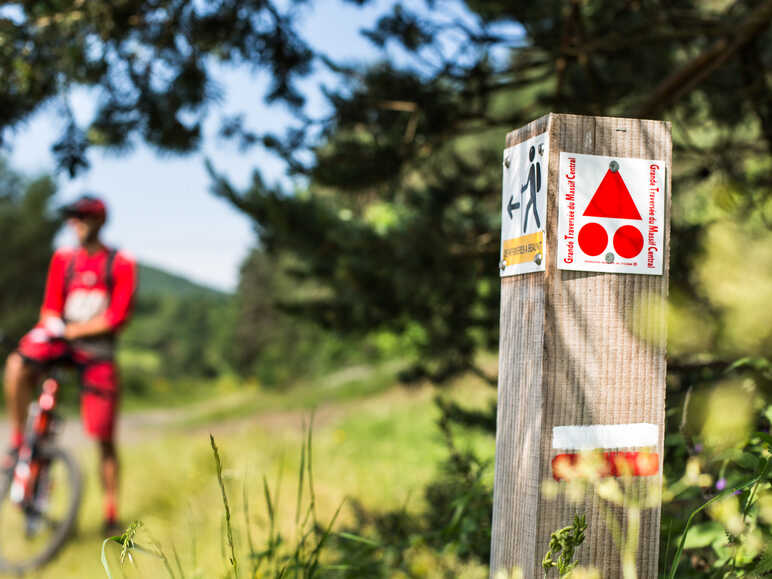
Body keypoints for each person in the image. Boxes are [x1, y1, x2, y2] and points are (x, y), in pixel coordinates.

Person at [2, 194, 137, 535]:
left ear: (100, 221)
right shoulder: (64, 260)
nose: (74, 223)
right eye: (72, 217)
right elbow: (50, 307)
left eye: (82, 217)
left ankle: (110, 512)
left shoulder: (120, 262)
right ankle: (20, 443)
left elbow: (117, 317)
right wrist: (52, 327)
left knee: (104, 434)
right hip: (60, 342)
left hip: (97, 351)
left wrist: (74, 328)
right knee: (17, 365)